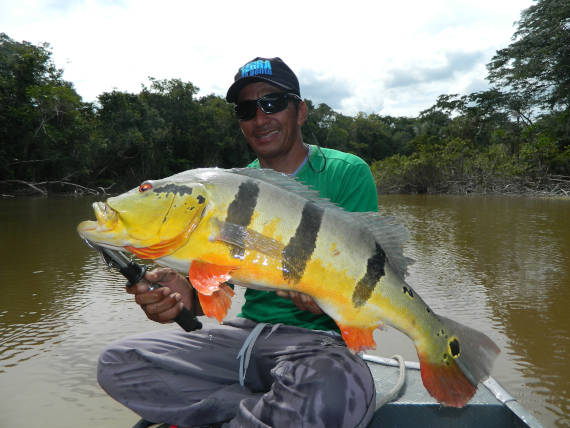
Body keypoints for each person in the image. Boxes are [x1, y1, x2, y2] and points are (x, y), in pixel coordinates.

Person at [97, 57, 379, 428]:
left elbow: (369, 273)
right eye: (247, 109)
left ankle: (248, 410)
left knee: (332, 386)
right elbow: (217, 286)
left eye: (272, 103)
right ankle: (258, 411)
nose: (260, 118)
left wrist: (328, 301)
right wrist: (183, 291)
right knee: (120, 362)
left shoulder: (346, 172)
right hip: (245, 338)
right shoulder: (231, 188)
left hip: (316, 342)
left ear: (301, 111)